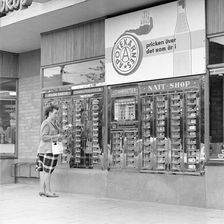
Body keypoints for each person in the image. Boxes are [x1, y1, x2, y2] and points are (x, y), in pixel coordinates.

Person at [36, 105, 63, 197]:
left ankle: (42, 190)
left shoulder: (53, 123)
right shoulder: (46, 123)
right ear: (50, 113)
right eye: (55, 113)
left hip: (45, 150)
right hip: (47, 150)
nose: (57, 115)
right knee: (47, 171)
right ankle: (48, 191)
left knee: (44, 171)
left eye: (57, 113)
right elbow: (43, 137)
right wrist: (56, 137)